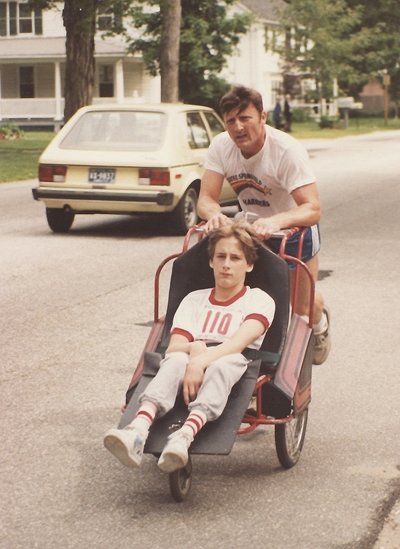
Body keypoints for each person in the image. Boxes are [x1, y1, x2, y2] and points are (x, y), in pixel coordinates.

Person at [103, 222, 276, 473]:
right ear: (211, 262)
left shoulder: (259, 300)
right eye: (221, 256)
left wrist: (199, 359)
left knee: (223, 365)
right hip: (189, 355)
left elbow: (237, 343)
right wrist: (194, 351)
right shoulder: (194, 300)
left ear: (248, 265)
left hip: (232, 358)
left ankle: (184, 436)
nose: (227, 264)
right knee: (173, 360)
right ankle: (138, 429)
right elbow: (176, 345)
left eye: (235, 258)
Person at [197, 85, 330, 365]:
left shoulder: (286, 151)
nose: (238, 127)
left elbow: (312, 208)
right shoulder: (222, 145)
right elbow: (206, 199)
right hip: (252, 233)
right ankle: (254, 364)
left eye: (245, 118)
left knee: (300, 307)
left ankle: (319, 327)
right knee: (248, 301)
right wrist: (215, 216)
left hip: (294, 231)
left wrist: (276, 222)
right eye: (231, 120)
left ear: (262, 117)